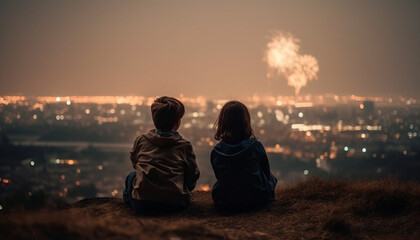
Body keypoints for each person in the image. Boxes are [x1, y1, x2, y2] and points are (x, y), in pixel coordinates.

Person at [123, 96, 200, 214]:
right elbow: (192, 175)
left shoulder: (141, 140)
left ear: (154, 119)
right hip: (175, 204)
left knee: (132, 176)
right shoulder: (184, 146)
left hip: (142, 204)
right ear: (178, 122)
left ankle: (128, 200)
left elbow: (135, 163)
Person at [211, 100, 277, 211]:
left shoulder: (217, 151)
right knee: (271, 177)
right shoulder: (255, 146)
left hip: (226, 200)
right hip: (257, 197)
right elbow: (265, 171)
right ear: (245, 121)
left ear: (222, 122)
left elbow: (220, 176)